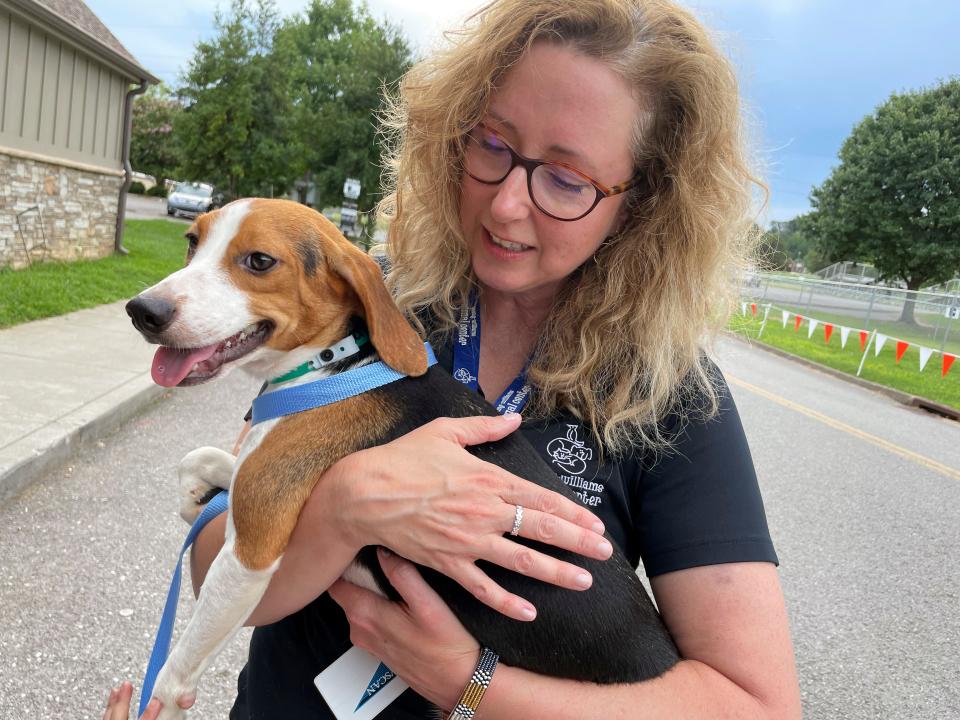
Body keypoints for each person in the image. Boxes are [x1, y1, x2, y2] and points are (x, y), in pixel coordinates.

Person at [112, 0, 801, 716]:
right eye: (492, 144)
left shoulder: (672, 398)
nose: (506, 205)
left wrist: (470, 683)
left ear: (642, 203)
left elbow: (754, 707)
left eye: (566, 180)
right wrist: (348, 506)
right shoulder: (362, 304)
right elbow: (220, 565)